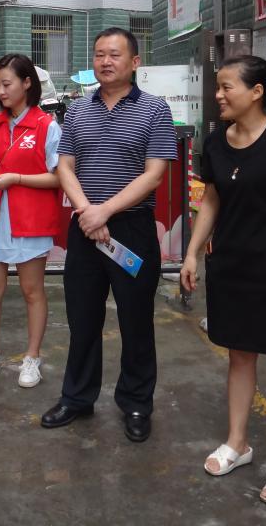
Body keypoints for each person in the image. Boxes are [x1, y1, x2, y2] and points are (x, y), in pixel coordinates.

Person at [181, 56, 266, 506]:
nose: (218, 94)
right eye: (218, 87)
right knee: (239, 356)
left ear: (257, 92)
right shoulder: (216, 142)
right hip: (230, 267)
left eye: (226, 87)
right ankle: (238, 442)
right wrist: (193, 252)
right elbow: (212, 199)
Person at [40, 27, 177, 442]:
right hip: (85, 228)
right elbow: (65, 166)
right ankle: (77, 397)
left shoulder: (155, 109)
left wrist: (105, 210)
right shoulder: (77, 111)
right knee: (82, 318)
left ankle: (136, 402)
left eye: (115, 54)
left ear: (135, 62)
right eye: (99, 54)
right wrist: (88, 211)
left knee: (136, 321)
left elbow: (154, 174)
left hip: (131, 228)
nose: (105, 61)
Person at [0, 54, 61, 388]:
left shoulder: (47, 126)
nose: (1, 91)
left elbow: (58, 177)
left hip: (30, 220)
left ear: (27, 83)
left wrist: (16, 178)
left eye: (7, 84)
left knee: (32, 291)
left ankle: (32, 358)